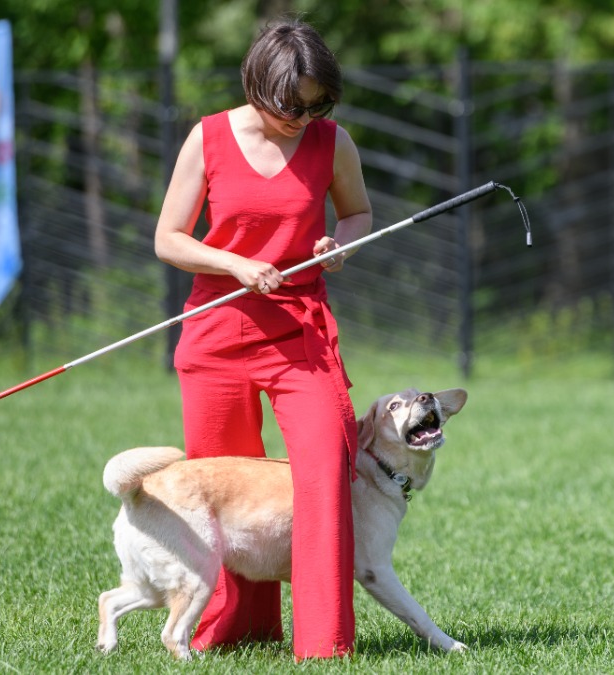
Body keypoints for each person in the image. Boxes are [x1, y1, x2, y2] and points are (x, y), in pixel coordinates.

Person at [151, 18, 372, 660]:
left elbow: (357, 213)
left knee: (327, 466)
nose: (304, 116)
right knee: (225, 485)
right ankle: (240, 629)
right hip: (217, 332)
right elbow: (169, 238)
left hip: (300, 332)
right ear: (257, 85)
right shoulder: (209, 138)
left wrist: (340, 243)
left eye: (318, 104)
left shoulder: (333, 143)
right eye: (291, 104)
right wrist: (235, 263)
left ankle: (325, 643)